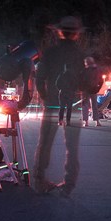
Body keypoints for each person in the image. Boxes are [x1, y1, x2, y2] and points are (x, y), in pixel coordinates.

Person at [32, 16, 85, 196]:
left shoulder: (50, 52)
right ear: (76, 34)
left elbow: (39, 77)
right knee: (72, 146)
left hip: (53, 104)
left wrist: (45, 96)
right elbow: (84, 82)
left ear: (60, 32)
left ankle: (40, 180)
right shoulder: (80, 55)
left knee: (45, 142)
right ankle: (69, 185)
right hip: (73, 105)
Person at [82, 56, 103, 127]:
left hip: (86, 90)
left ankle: (86, 121)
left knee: (85, 105)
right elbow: (101, 80)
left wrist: (81, 88)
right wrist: (98, 88)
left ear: (87, 62)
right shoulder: (97, 70)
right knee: (94, 105)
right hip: (94, 89)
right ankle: (97, 121)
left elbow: (82, 80)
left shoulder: (85, 70)